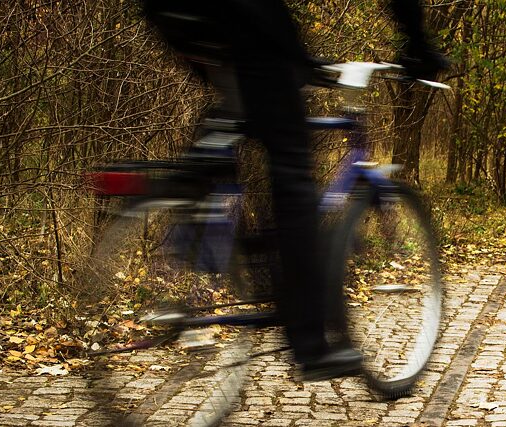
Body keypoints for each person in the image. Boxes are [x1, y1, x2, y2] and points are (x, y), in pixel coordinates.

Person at [139, 0, 447, 381]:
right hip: (243, 16)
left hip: (170, 12)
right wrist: (418, 43)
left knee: (236, 114)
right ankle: (312, 345)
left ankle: (196, 216)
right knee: (290, 163)